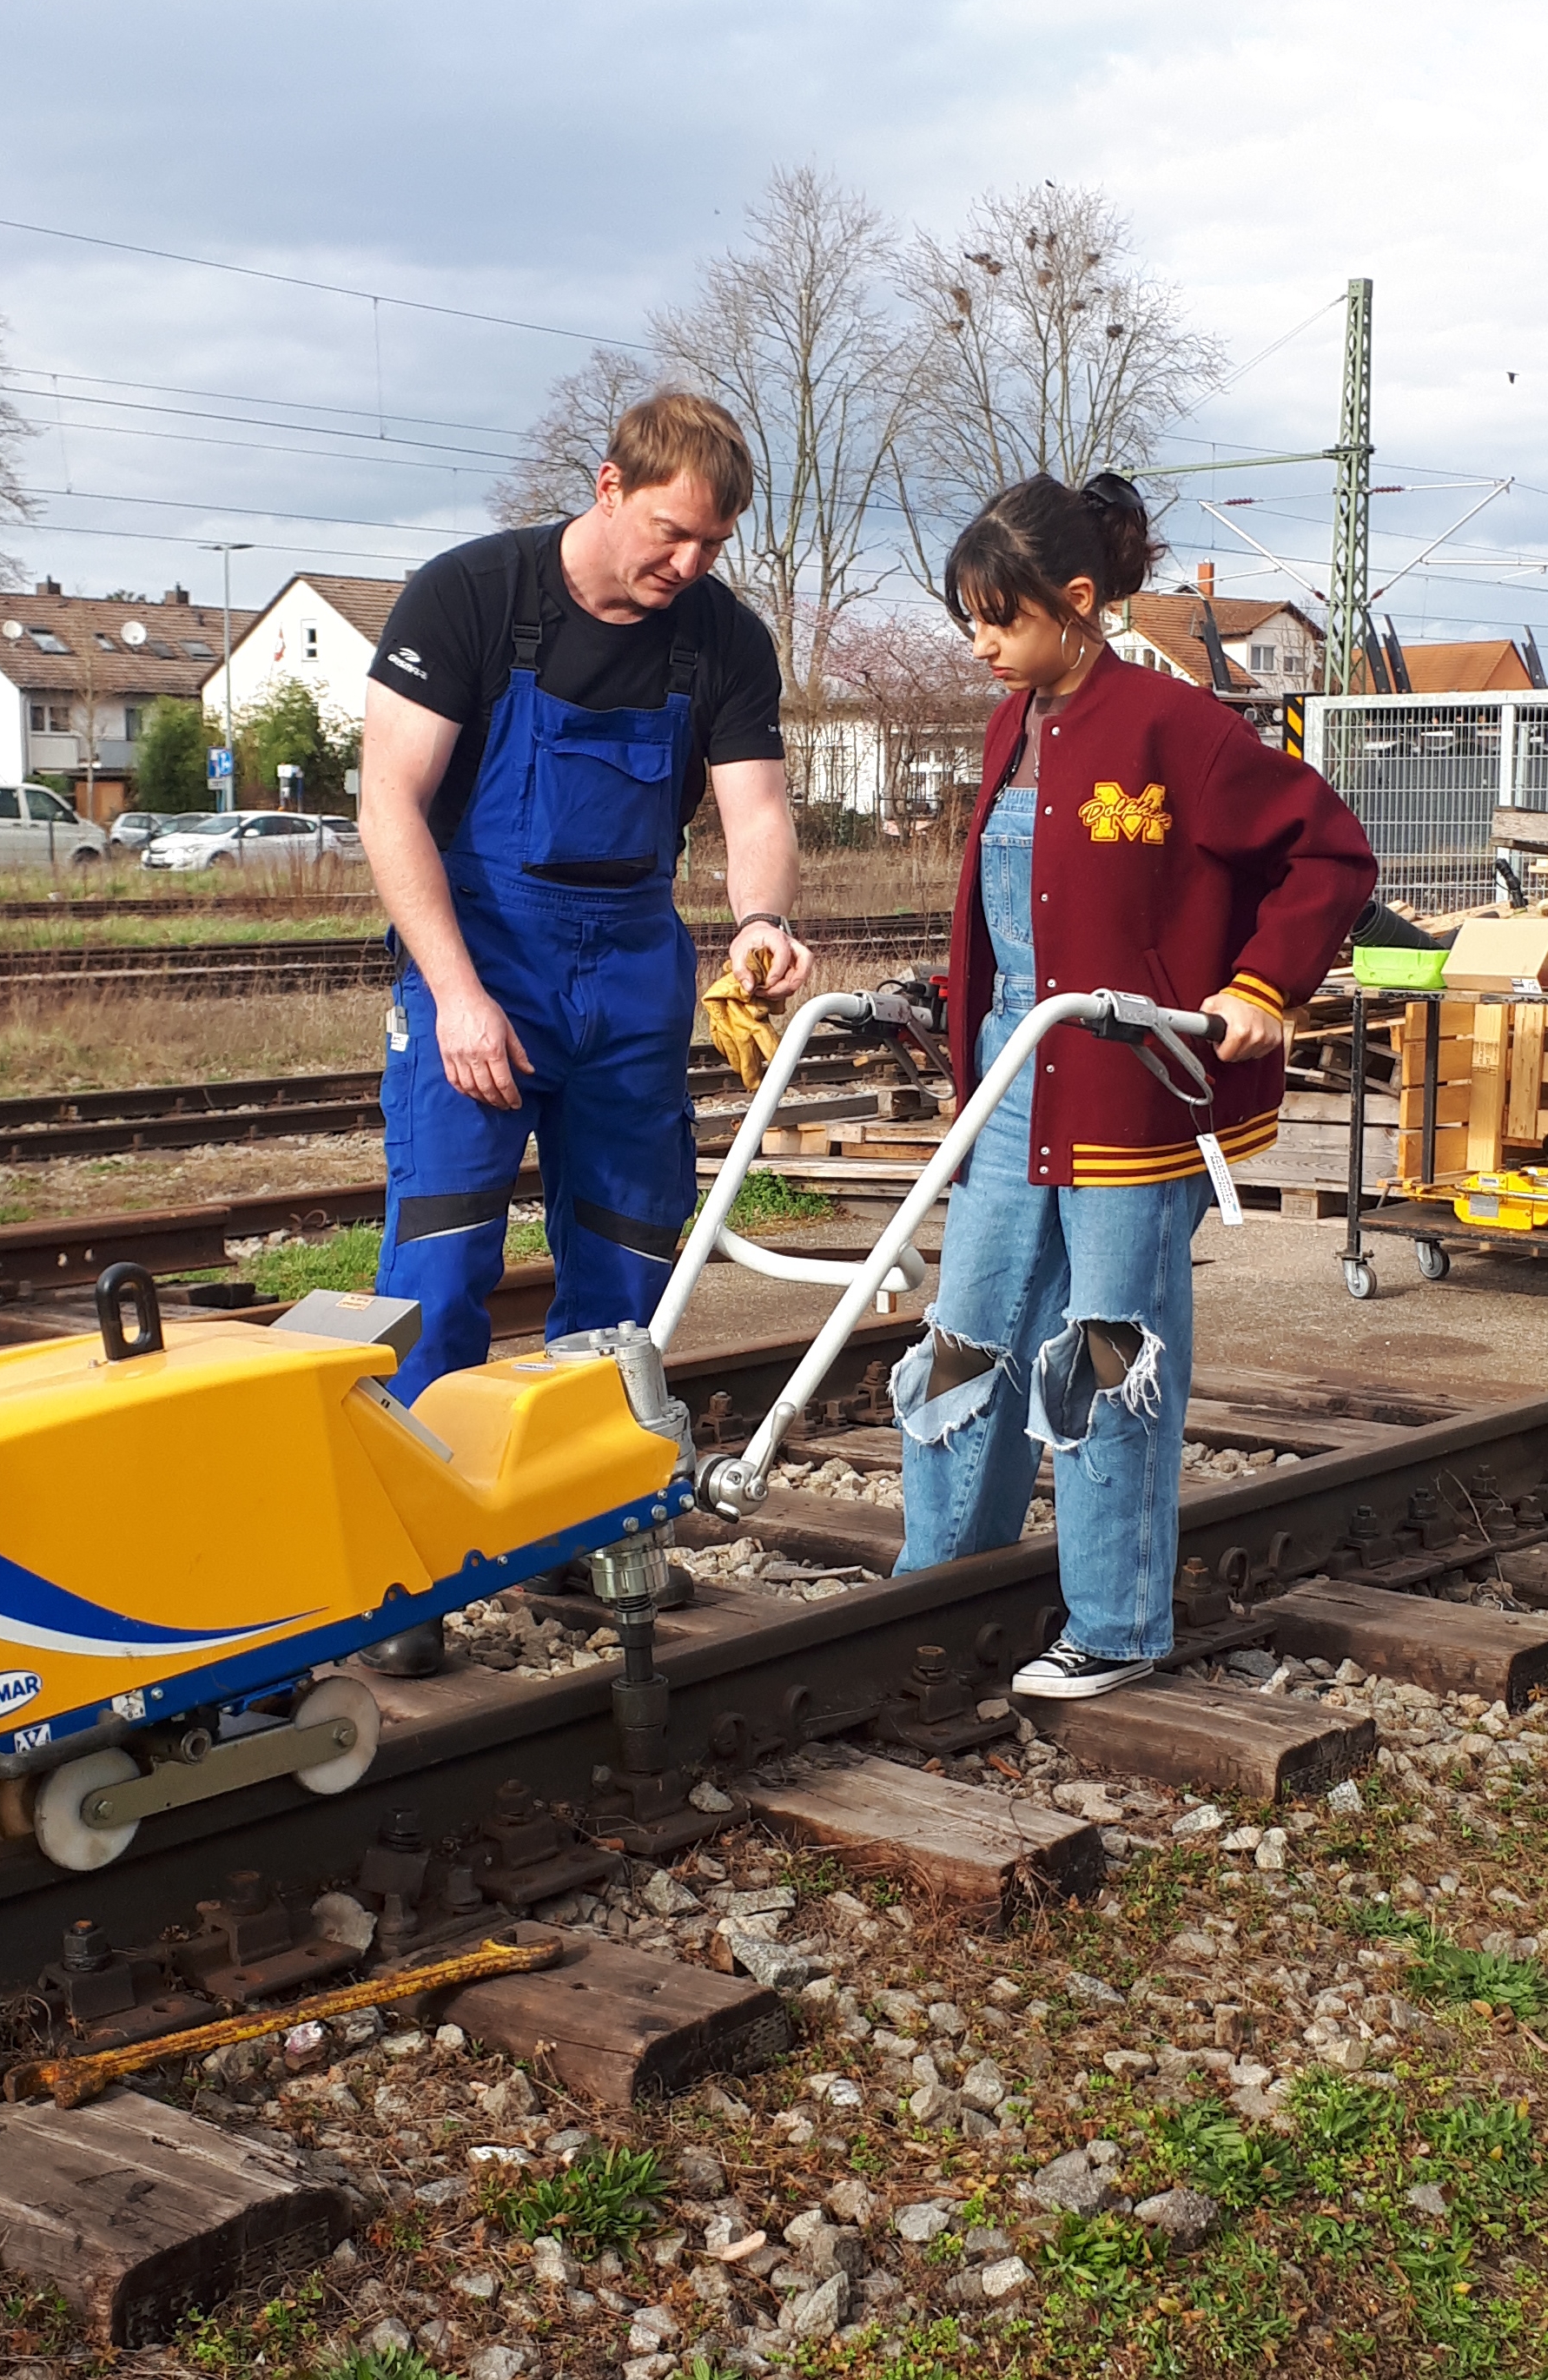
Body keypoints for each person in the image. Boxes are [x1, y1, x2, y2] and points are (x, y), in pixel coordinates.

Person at [894, 473, 1376, 1697]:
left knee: (1107, 1349)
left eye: (1000, 620)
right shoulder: (1008, 728)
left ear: (1076, 602)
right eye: (968, 621)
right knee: (968, 1332)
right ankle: (937, 1583)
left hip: (1129, 1093)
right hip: (1011, 1080)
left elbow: (1327, 852)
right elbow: (1022, 914)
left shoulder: (1180, 730)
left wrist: (1262, 986)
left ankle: (1112, 1625)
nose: (980, 644)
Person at [361, 392, 812, 1405]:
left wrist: (762, 921)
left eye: (713, 543)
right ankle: (425, 1498)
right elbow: (389, 805)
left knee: (626, 1267)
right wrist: (458, 996)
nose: (690, 564)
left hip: (630, 975)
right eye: (671, 532)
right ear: (610, 487)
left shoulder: (724, 639)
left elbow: (757, 814)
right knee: (441, 1258)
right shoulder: (469, 597)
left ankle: (604, 1496)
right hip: (481, 958)